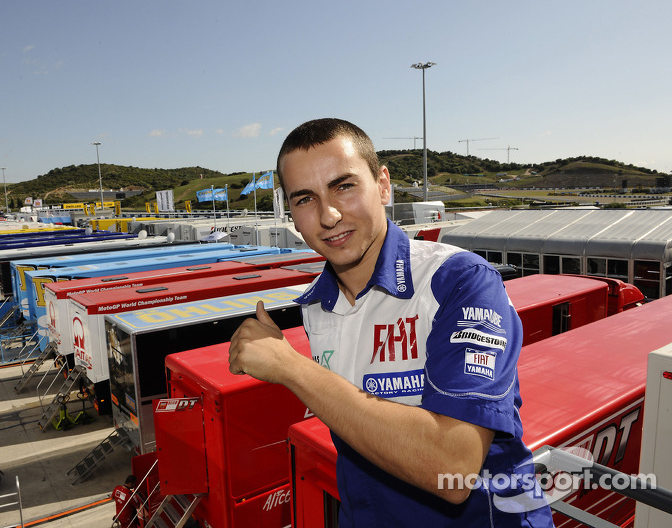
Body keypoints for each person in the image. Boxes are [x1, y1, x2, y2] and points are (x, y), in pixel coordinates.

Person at [228, 118, 554, 526]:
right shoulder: (315, 305)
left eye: (343, 186)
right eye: (305, 199)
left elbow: (452, 467)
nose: (328, 215)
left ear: (383, 185)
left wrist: (291, 368)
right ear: (291, 212)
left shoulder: (458, 280)